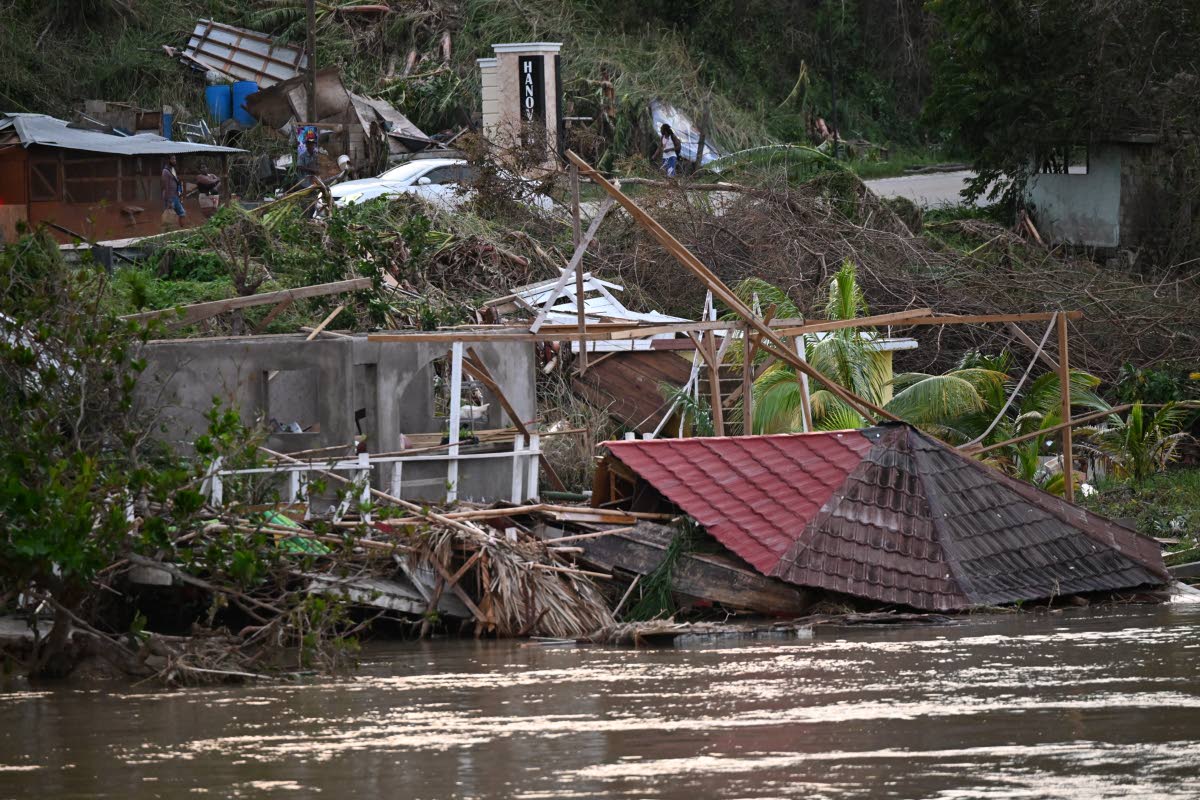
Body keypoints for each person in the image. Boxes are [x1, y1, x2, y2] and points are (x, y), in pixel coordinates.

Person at [161, 155, 185, 226]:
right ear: (168, 160)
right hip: (170, 197)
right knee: (169, 216)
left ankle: (182, 229)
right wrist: (169, 200)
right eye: (173, 159)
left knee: (182, 213)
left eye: (175, 159)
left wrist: (179, 193)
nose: (175, 161)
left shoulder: (173, 169)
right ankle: (168, 231)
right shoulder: (165, 171)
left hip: (175, 196)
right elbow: (165, 186)